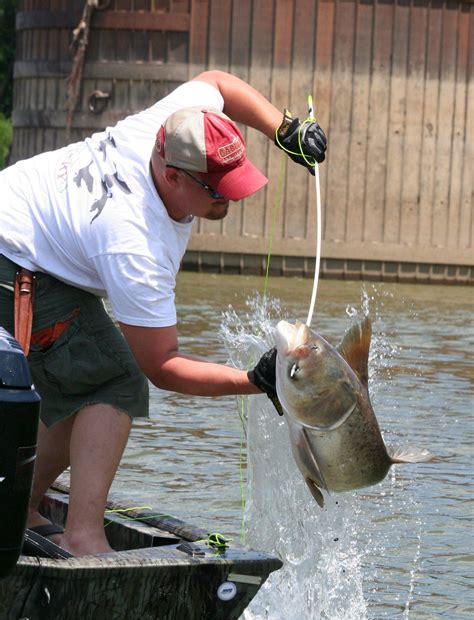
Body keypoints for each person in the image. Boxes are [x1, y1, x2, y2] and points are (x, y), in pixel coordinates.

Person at [0, 70, 326, 557]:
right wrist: (254, 381)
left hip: (31, 226)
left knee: (89, 378)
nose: (231, 197)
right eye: (218, 190)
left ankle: (19, 502)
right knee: (116, 380)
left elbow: (218, 81)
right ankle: (83, 534)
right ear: (172, 174)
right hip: (15, 259)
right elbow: (162, 367)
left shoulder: (181, 125)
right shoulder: (136, 244)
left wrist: (285, 128)